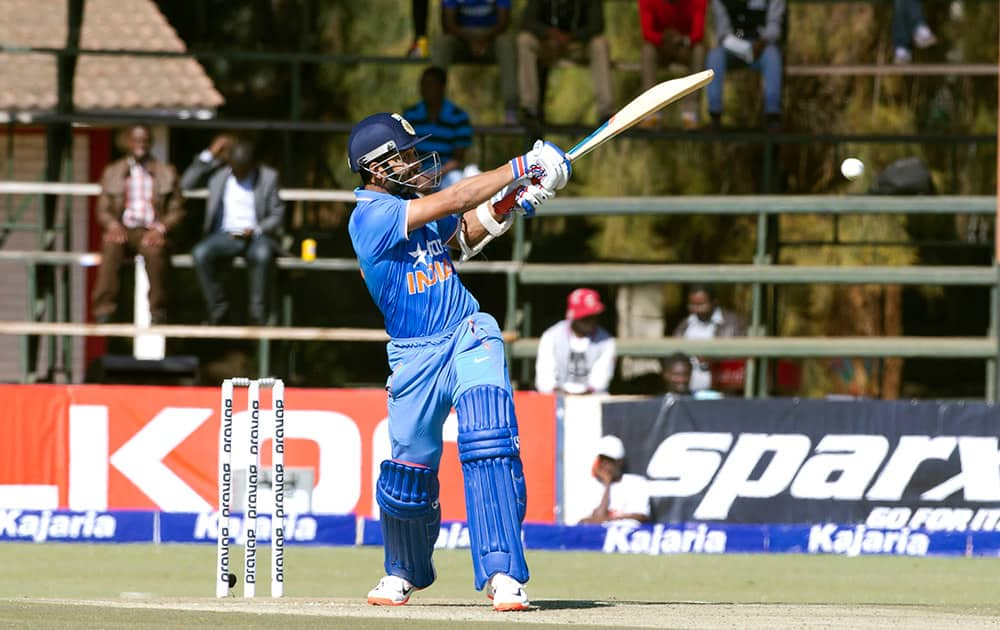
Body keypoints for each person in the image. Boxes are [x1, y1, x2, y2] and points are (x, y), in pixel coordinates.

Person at [348, 112, 571, 611]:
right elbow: (455, 199)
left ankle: (503, 575)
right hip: (413, 357)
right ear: (378, 167)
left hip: (468, 333)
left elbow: (459, 237)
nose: (417, 161)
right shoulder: (370, 215)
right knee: (407, 473)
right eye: (405, 155)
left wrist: (513, 201)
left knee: (488, 442)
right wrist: (522, 164)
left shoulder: (409, 207)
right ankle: (402, 572)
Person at [181, 136, 285, 326]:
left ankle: (258, 314)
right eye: (236, 170)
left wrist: (256, 229)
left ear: (253, 165)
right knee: (200, 253)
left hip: (257, 236)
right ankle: (218, 309)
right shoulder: (219, 174)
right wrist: (210, 154)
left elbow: (277, 215)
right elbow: (185, 184)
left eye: (244, 171)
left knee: (262, 255)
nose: (240, 175)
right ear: (229, 164)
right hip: (225, 235)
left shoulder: (268, 177)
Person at [92, 124, 184, 325]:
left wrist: (160, 229)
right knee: (110, 246)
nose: (140, 145)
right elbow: (103, 209)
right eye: (136, 140)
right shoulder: (113, 171)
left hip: (151, 230)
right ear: (127, 142)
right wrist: (112, 226)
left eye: (144, 140)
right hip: (123, 228)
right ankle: (104, 310)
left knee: (155, 252)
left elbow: (177, 210)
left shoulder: (166, 172)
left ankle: (158, 311)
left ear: (150, 143)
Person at [517, 0, 613, 127]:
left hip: (579, 43)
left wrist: (573, 36)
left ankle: (606, 112)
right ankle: (529, 109)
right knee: (524, 40)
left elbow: (597, 24)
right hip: (547, 43)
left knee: (600, 44)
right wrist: (549, 33)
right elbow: (528, 21)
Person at [432, 0, 518, 123]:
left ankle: (511, 109)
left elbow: (503, 23)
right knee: (442, 43)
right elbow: (449, 24)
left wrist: (483, 40)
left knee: (506, 44)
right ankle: (434, 106)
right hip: (461, 36)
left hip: (491, 36)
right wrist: (470, 40)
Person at [705, 0, 785, 131]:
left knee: (773, 56)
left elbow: (774, 27)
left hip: (762, 46)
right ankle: (715, 115)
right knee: (715, 56)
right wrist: (742, 48)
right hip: (732, 47)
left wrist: (762, 42)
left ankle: (772, 116)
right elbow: (723, 32)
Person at [637, 0, 708, 130]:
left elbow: (698, 34)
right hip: (660, 46)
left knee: (699, 49)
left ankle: (690, 114)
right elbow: (647, 34)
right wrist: (663, 38)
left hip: (684, 46)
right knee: (647, 50)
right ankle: (650, 113)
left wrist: (682, 40)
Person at [403, 67, 476, 190]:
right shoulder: (410, 115)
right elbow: (405, 154)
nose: (425, 89)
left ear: (442, 87)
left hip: (446, 172)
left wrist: (434, 176)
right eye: (423, 85)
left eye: (430, 85)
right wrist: (415, 175)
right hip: (417, 170)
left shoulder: (458, 116)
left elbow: (458, 159)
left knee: (456, 182)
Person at [534, 288, 616, 395]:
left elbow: (600, 381)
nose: (591, 321)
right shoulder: (552, 336)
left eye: (593, 316)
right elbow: (544, 379)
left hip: (592, 400)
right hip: (557, 398)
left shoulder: (606, 341)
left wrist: (582, 396)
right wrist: (559, 393)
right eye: (585, 317)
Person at [673, 284, 747, 393]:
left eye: (701, 304)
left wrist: (713, 358)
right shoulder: (684, 325)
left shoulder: (733, 323)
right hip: (689, 391)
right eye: (692, 305)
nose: (696, 309)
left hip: (722, 391)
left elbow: (741, 360)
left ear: (714, 302)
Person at [577, 435, 651, 525]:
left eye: (609, 460)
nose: (604, 464)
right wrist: (607, 483)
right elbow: (591, 521)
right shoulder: (592, 485)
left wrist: (605, 520)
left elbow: (641, 517)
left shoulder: (637, 483)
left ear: (620, 462)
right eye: (602, 459)